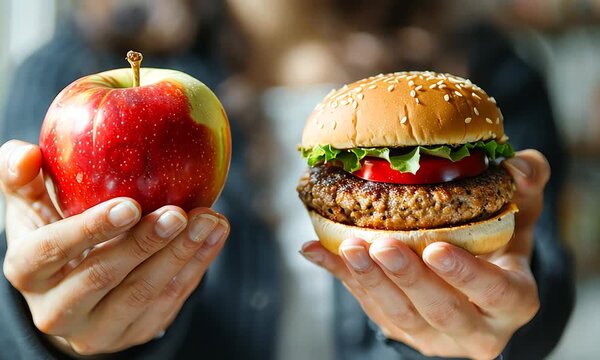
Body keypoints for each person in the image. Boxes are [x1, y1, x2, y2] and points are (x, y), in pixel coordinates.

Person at [0, 1, 574, 359]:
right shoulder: (65, 66)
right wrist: (57, 338)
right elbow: (19, 291)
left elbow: (543, 278)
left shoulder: (490, 63)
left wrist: (494, 332)